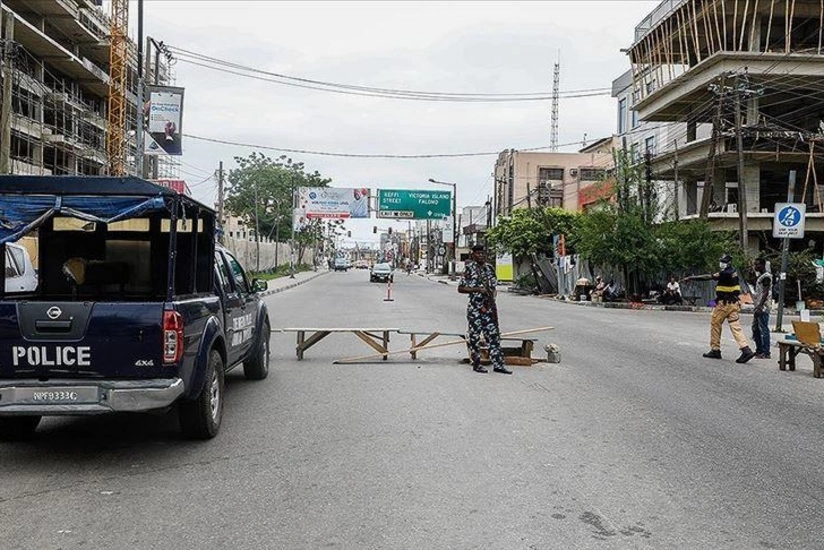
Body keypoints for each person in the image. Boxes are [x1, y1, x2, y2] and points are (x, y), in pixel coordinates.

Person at [683, 254, 755, 363]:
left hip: (724, 305)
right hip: (733, 303)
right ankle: (746, 349)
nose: (721, 263)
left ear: (728, 263)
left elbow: (708, 277)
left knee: (715, 324)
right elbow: (728, 290)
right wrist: (713, 303)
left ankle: (715, 350)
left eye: (723, 262)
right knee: (735, 326)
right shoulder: (734, 272)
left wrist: (691, 278)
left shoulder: (725, 273)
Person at [458, 244, 511, 374]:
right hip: (475, 309)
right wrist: (477, 289)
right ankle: (477, 363)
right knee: (475, 337)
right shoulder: (469, 269)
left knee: (493, 336)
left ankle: (498, 364)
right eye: (478, 253)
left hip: (488, 308)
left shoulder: (489, 268)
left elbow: (493, 288)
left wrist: (491, 302)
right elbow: (460, 288)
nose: (480, 255)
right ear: (473, 254)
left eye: (482, 253)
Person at [751, 258, 773, 359]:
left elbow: (765, 292)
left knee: (763, 328)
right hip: (758, 306)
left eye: (757, 265)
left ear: (763, 265)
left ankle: (766, 352)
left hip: (763, 307)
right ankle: (759, 350)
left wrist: (760, 306)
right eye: (755, 265)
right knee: (755, 328)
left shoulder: (766, 277)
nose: (755, 267)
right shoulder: (760, 276)